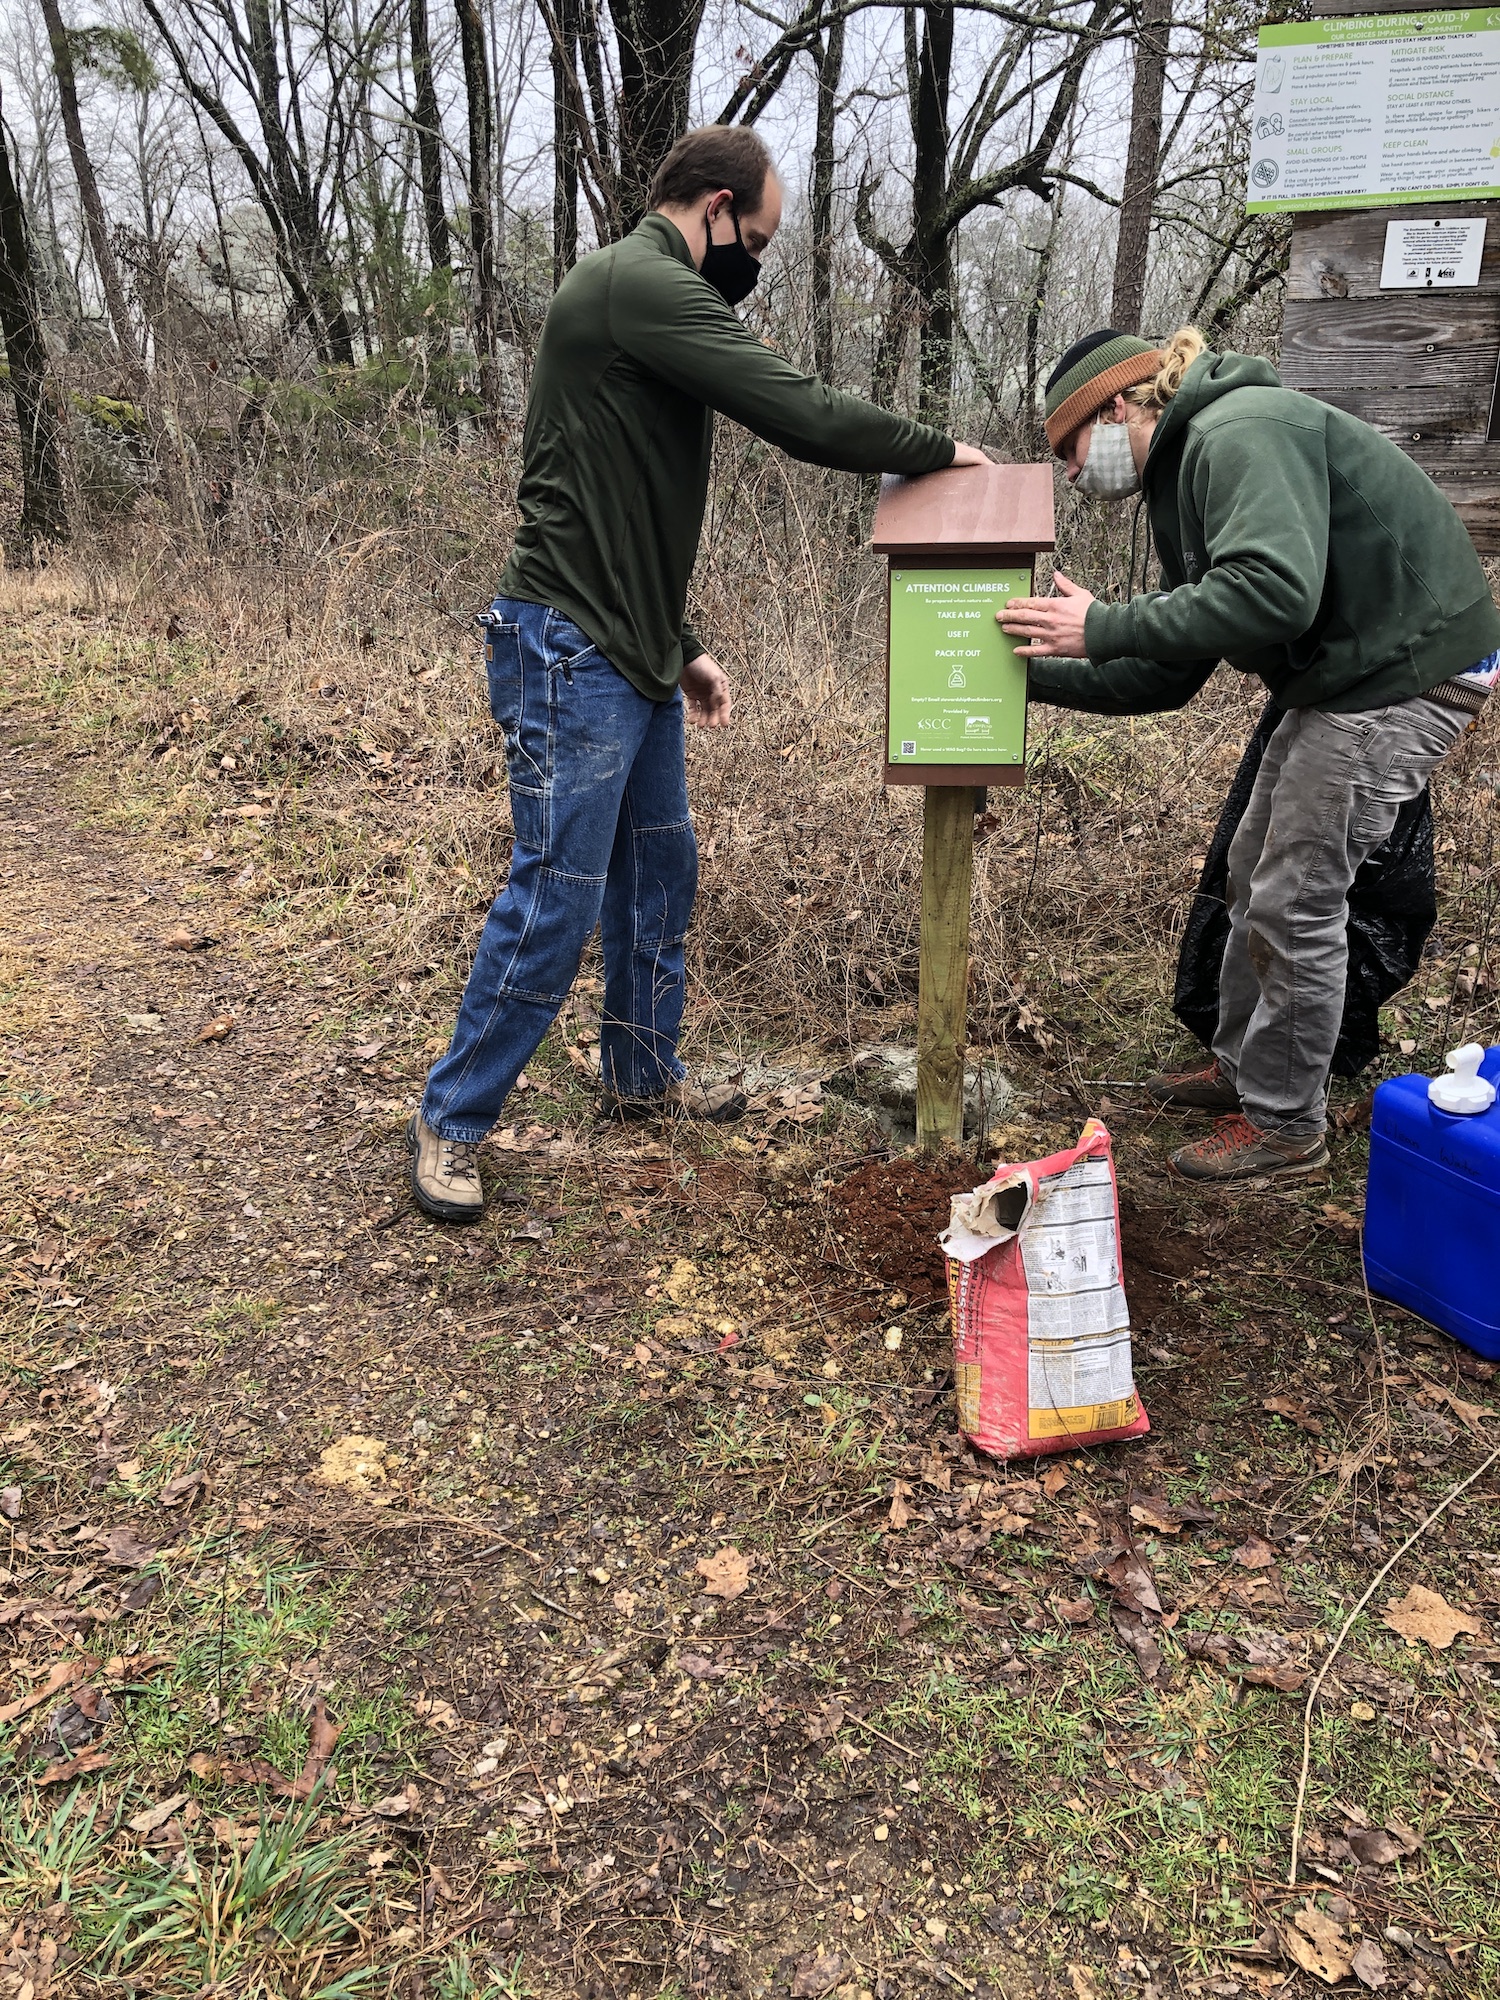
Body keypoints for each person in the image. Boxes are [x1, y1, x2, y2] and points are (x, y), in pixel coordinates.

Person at [410, 124, 987, 1222]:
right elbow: (797, 408)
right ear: (714, 206)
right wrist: (933, 448)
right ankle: (452, 1117)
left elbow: (620, 504)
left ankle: (639, 1076)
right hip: (564, 647)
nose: (753, 265)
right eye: (755, 239)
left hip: (624, 647)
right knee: (557, 895)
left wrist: (681, 645)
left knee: (658, 872)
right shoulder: (638, 279)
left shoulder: (648, 296)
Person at [1001, 325, 1499, 1185]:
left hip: (1404, 670)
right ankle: (1243, 1069)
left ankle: (1286, 1126)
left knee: (1295, 897)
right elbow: (1166, 676)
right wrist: (1016, 687)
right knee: (1248, 871)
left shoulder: (1240, 431)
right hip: (1342, 677)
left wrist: (1105, 624)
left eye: (1071, 450)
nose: (1074, 475)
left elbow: (1272, 592)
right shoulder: (1185, 475)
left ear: (1118, 406)